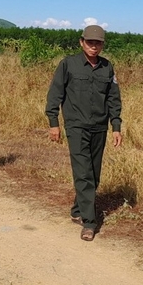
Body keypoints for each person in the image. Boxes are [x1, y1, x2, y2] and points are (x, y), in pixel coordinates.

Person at [45, 25, 122, 241]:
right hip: (76, 126)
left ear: (103, 44)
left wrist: (116, 126)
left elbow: (113, 99)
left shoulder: (107, 68)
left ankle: (78, 210)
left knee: (94, 174)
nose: (94, 46)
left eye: (98, 43)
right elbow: (55, 95)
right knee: (83, 173)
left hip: (100, 126)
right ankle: (90, 222)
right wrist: (54, 123)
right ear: (81, 42)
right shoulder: (68, 64)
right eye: (90, 42)